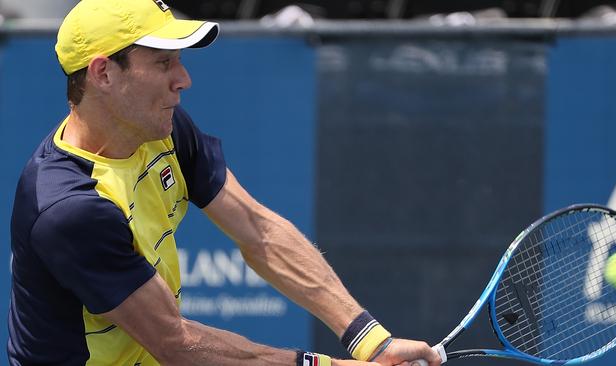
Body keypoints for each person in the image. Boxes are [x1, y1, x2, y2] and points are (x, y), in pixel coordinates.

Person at [7, 1, 442, 365]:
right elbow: (175, 343)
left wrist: (371, 341)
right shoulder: (69, 208)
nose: (184, 79)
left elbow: (258, 231)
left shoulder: (164, 129)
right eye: (164, 62)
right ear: (103, 74)